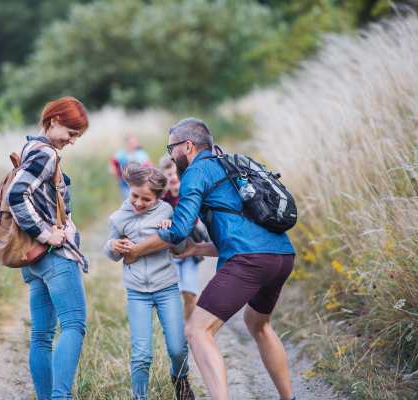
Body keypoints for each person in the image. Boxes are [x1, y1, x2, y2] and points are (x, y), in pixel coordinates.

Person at [122, 118, 297, 400]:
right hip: (281, 256)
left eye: (172, 148)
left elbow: (178, 229)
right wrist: (195, 249)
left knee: (196, 330)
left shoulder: (195, 172)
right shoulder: (231, 165)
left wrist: (137, 250)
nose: (170, 155)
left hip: (250, 261)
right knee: (258, 324)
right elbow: (240, 238)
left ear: (187, 146)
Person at [6, 97, 89, 400]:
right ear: (53, 120)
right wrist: (47, 234)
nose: (73, 140)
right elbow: (16, 196)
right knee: (74, 325)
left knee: (41, 336)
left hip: (34, 261)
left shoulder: (29, 148)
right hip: (54, 257)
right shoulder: (47, 155)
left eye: (77, 135)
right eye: (71, 132)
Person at [103, 161, 195, 400]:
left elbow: (180, 246)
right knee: (142, 354)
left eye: (146, 200)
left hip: (166, 287)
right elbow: (113, 254)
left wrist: (170, 230)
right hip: (136, 292)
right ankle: (140, 397)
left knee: (177, 348)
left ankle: (180, 377)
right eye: (135, 196)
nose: (139, 203)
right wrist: (111, 246)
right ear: (129, 188)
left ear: (158, 198)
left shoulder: (167, 212)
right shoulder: (118, 218)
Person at [158, 154, 210, 321]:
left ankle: (190, 328)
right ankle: (175, 328)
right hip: (168, 249)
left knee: (189, 293)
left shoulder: (189, 195)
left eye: (175, 173)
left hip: (189, 246)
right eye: (168, 174)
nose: (172, 178)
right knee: (172, 293)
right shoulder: (161, 200)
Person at [109, 135, 151, 200]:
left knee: (137, 200)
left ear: (137, 143)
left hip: (138, 183)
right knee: (127, 200)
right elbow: (113, 160)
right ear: (126, 143)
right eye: (130, 142)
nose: (131, 145)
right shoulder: (121, 154)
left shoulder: (141, 154)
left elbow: (148, 167)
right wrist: (113, 169)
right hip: (124, 183)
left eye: (133, 142)